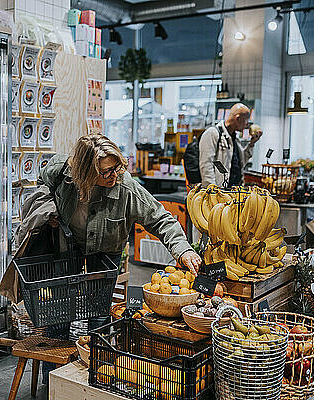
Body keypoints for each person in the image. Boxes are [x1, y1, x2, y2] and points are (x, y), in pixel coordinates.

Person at [37, 134, 202, 383]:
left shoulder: (126, 187)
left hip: (106, 249)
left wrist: (183, 250)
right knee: (59, 316)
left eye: (117, 167)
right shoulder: (61, 172)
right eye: (106, 171)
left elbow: (160, 218)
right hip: (66, 246)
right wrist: (46, 210)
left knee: (99, 315)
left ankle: (95, 379)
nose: (114, 174)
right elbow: (41, 184)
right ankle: (52, 384)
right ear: (84, 171)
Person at [198, 103, 262, 187]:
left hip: (234, 190)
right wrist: (212, 191)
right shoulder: (213, 133)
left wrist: (252, 143)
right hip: (219, 192)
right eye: (246, 120)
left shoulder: (234, 138)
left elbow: (241, 162)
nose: (247, 124)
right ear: (238, 118)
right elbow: (206, 165)